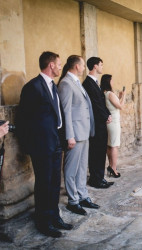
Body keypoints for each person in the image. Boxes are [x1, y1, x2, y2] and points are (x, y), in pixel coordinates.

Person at [17, 51, 72, 238]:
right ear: (50, 65)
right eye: (58, 64)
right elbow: (23, 119)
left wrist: (62, 138)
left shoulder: (53, 86)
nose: (59, 66)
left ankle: (54, 216)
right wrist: (29, 146)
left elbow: (57, 115)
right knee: (44, 184)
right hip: (41, 146)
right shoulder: (32, 87)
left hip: (56, 143)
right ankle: (43, 221)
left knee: (55, 183)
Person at [58, 55, 99, 216]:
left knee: (82, 168)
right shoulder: (66, 84)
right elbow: (66, 112)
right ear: (76, 66)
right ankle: (73, 201)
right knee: (71, 169)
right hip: (74, 134)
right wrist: (69, 136)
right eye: (82, 65)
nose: (84, 68)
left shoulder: (76, 82)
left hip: (84, 132)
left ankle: (82, 196)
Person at [82, 57, 114, 188]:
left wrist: (108, 114)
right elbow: (95, 104)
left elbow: (101, 102)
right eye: (101, 65)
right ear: (95, 66)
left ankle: (100, 177)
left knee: (101, 150)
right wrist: (106, 115)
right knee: (96, 151)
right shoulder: (88, 83)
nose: (102, 67)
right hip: (95, 123)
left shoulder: (94, 82)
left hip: (100, 122)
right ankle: (96, 179)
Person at [100, 74, 125, 178]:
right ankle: (113, 168)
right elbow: (120, 106)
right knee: (114, 146)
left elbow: (114, 104)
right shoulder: (110, 93)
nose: (113, 82)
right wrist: (124, 95)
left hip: (109, 122)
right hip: (114, 122)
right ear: (108, 82)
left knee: (110, 145)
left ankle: (111, 166)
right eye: (112, 80)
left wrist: (118, 97)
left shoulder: (104, 93)